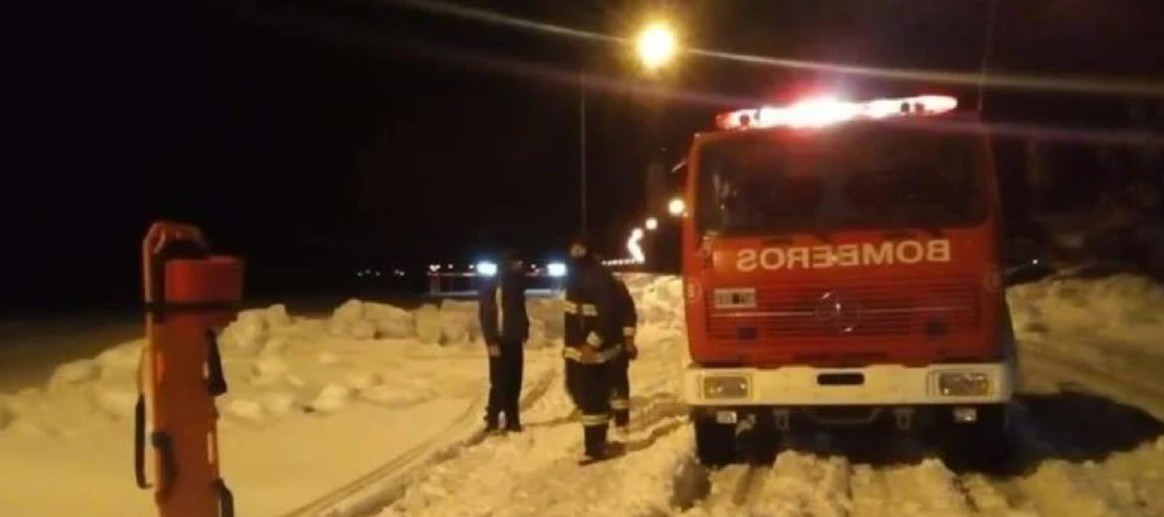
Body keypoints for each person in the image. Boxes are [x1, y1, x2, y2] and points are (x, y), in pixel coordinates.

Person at [562, 238, 624, 461]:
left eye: (580, 248)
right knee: (578, 393)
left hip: (595, 353)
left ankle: (596, 446)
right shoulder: (574, 277)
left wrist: (592, 343)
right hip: (577, 352)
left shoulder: (599, 276)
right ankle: (597, 439)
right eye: (573, 248)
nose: (576, 253)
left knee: (593, 401)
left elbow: (608, 315)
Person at [478, 250, 529, 432]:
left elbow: (520, 310)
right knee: (499, 381)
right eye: (516, 263)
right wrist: (491, 339)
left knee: (515, 380)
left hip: (514, 339)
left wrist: (524, 329)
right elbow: (487, 314)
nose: (520, 266)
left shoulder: (516, 285)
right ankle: (492, 417)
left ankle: (512, 419)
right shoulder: (495, 285)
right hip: (499, 340)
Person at [609, 275, 638, 437]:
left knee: (618, 380)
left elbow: (629, 314)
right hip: (593, 345)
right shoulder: (583, 287)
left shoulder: (616, 286)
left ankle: (621, 421)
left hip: (616, 342)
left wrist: (628, 340)